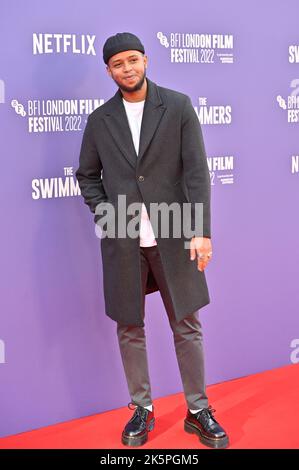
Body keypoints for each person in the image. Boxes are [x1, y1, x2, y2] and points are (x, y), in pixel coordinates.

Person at [76, 32, 229, 449]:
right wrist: (105, 213)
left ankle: (198, 410)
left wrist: (201, 231)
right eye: (118, 64)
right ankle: (141, 408)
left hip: (176, 233)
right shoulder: (100, 120)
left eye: (132, 60)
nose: (127, 69)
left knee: (187, 324)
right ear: (108, 71)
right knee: (130, 326)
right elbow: (87, 175)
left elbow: (196, 172)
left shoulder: (177, 106)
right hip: (124, 239)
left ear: (146, 60)